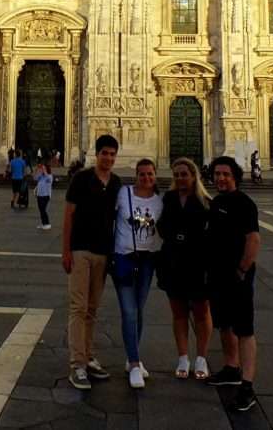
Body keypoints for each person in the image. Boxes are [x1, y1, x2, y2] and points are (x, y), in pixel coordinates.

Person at [62, 134, 121, 391]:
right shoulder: (81, 179)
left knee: (92, 308)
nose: (108, 157)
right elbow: (68, 216)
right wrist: (66, 251)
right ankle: (77, 364)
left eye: (112, 154)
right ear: (96, 154)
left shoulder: (117, 183)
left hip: (103, 251)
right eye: (104, 153)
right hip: (81, 250)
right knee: (79, 306)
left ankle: (87, 356)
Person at [205, 156, 261, 414]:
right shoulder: (216, 202)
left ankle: (247, 385)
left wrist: (242, 269)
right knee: (224, 323)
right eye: (217, 174)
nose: (220, 178)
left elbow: (253, 239)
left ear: (235, 176)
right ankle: (231, 367)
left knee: (244, 328)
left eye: (225, 174)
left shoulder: (244, 204)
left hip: (237, 275)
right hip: (217, 274)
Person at [157, 158, 212, 382]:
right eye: (177, 175)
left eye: (184, 174)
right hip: (173, 262)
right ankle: (183, 358)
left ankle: (201, 358)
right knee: (178, 312)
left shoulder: (205, 202)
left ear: (193, 176)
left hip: (198, 263)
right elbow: (160, 226)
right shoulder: (168, 199)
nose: (180, 178)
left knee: (201, 312)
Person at [112, 158, 163, 389]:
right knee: (130, 311)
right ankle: (134, 363)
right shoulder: (123, 193)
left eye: (150, 174)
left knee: (138, 310)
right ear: (136, 175)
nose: (146, 178)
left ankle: (134, 357)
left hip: (147, 260)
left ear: (155, 175)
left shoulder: (161, 202)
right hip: (124, 257)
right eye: (142, 174)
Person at [35, 160, 54, 230]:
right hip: (39, 195)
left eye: (44, 168)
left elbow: (49, 180)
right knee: (41, 210)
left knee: (43, 209)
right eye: (42, 168)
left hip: (46, 195)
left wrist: (45, 172)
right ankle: (43, 223)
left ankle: (48, 223)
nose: (42, 169)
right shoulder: (41, 176)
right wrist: (38, 170)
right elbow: (35, 178)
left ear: (47, 169)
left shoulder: (49, 176)